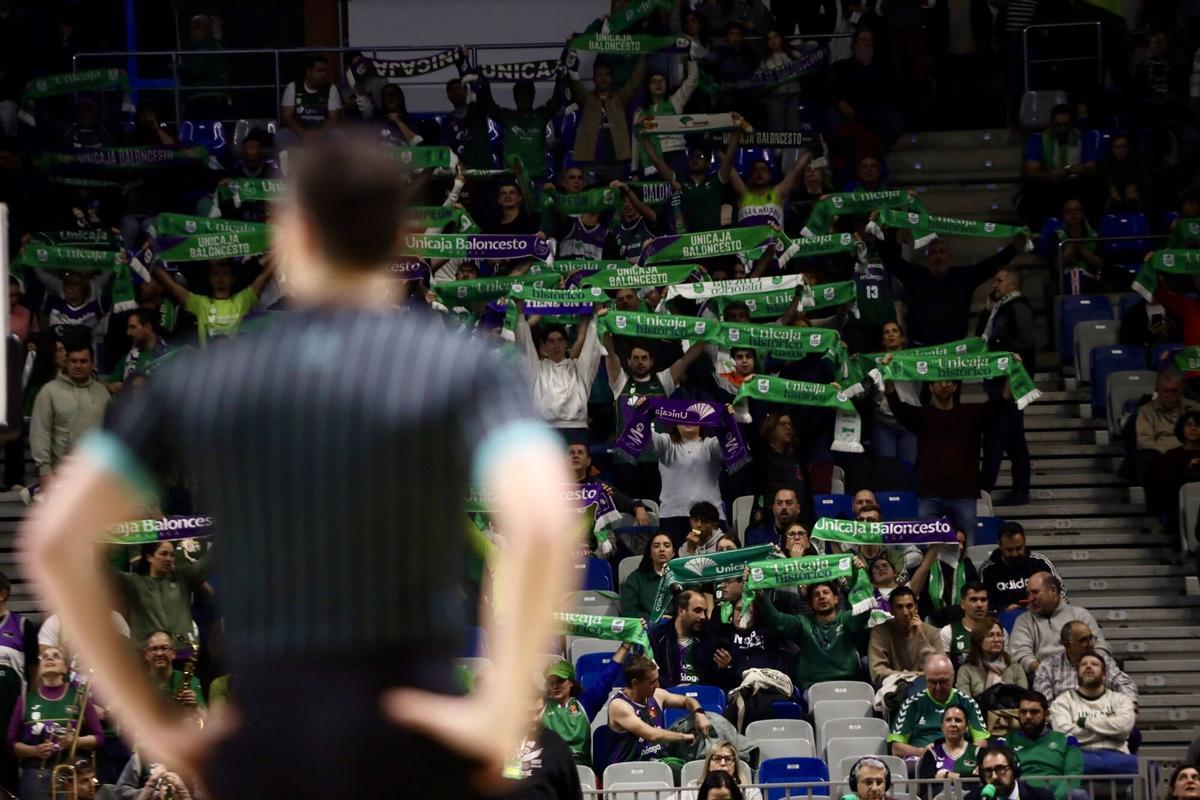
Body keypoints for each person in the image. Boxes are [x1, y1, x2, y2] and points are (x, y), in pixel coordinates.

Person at [21, 136, 579, 799]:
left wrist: (154, 726)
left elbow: (55, 541)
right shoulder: (466, 369)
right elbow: (546, 521)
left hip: (269, 742)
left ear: (291, 233)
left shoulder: (205, 379)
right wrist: (502, 708)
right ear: (402, 236)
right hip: (415, 734)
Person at [885, 372, 1010, 543]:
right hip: (930, 497)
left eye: (949, 381)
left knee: (968, 549)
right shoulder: (922, 416)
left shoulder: (971, 414)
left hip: (964, 496)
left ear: (956, 386)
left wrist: (1012, 373)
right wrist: (887, 374)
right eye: (939, 381)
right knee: (927, 548)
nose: (944, 385)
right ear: (930, 387)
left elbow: (1000, 406)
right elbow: (896, 406)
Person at [876, 224, 1026, 347]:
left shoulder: (963, 277)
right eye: (933, 252)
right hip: (920, 350)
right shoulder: (915, 275)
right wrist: (890, 231)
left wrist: (1014, 248)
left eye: (942, 251)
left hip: (954, 351)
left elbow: (990, 265)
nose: (938, 256)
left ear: (950, 255)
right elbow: (890, 261)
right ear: (927, 256)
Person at [7, 647, 103, 800]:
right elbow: (11, 743)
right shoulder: (25, 700)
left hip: (70, 776)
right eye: (44, 657)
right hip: (34, 777)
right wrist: (34, 751)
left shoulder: (79, 697)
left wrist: (75, 741)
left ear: (65, 668)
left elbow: (99, 738)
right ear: (39, 668)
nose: (49, 658)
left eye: (56, 656)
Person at [976, 267, 1035, 505]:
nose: (994, 284)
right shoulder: (999, 309)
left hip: (1009, 385)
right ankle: (1020, 490)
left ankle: (984, 490)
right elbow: (980, 338)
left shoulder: (1018, 308)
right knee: (1013, 439)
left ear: (1013, 284)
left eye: (999, 280)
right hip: (998, 383)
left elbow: (1024, 343)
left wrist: (1007, 384)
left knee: (995, 437)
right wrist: (986, 310)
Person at [755, 580, 875, 692]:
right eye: (816, 595)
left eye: (826, 592)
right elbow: (777, 620)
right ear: (811, 603)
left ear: (836, 599)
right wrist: (760, 594)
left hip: (849, 686)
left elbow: (865, 608)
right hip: (814, 688)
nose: (821, 596)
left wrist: (859, 577)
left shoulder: (847, 619)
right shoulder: (802, 623)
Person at [30, 341, 111, 487]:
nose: (78, 365)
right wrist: (45, 470)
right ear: (66, 363)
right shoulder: (49, 392)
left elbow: (109, 434)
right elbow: (40, 432)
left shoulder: (102, 393)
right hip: (60, 474)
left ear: (93, 364)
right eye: (73, 361)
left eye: (83, 361)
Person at [648, 403, 731, 544]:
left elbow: (727, 446)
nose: (688, 420)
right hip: (673, 516)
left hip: (709, 517)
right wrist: (645, 415)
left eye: (693, 417)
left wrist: (729, 421)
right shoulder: (666, 443)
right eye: (683, 416)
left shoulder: (711, 444)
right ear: (676, 423)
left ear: (702, 423)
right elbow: (647, 438)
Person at [114, 541, 212, 655]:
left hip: (183, 653)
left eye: (172, 555)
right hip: (147, 656)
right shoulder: (132, 582)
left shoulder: (183, 577)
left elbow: (210, 560)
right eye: (164, 554)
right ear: (149, 557)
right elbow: (102, 570)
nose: (169, 558)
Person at [513, 311, 602, 436]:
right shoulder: (536, 369)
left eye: (560, 340)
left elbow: (593, 347)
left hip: (576, 428)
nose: (557, 345)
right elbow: (523, 343)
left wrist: (597, 315)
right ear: (544, 346)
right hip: (544, 430)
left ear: (566, 343)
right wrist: (519, 311)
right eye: (551, 341)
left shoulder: (579, 368)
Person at [1048, 654, 1138, 775]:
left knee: (1150, 769)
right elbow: (1064, 734)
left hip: (1117, 756)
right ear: (1077, 674)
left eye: (1094, 664)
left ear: (1104, 674)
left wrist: (1084, 722)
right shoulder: (1062, 701)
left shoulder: (1121, 699)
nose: (1088, 666)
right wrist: (1112, 733)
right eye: (1083, 664)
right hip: (1080, 755)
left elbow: (1124, 727)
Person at [607, 656, 707, 762]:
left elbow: (687, 700)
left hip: (660, 763)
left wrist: (699, 713)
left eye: (657, 680)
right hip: (629, 767)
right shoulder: (619, 705)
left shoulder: (656, 695)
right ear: (635, 683)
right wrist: (683, 737)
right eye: (652, 682)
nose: (658, 685)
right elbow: (652, 735)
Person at [888, 654, 988, 758]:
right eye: (932, 682)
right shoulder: (911, 704)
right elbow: (896, 748)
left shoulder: (968, 703)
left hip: (959, 759)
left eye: (943, 682)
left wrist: (963, 755)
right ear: (925, 679)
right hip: (921, 760)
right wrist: (923, 752)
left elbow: (981, 742)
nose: (938, 688)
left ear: (953, 678)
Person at [1009, 573, 1110, 675]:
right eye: (1028, 593)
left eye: (1035, 592)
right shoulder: (1023, 621)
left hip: (1082, 673)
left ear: (1053, 590)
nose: (1030, 598)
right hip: (1041, 675)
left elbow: (1100, 648)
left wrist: (1086, 668)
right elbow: (1021, 655)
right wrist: (1047, 672)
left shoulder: (1080, 615)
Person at [151, 259, 276, 342]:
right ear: (211, 279)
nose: (220, 278)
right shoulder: (201, 304)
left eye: (225, 274)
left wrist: (281, 253)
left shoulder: (241, 300)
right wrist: (152, 262)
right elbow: (172, 287)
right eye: (216, 274)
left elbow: (264, 276)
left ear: (231, 279)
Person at [569, 55, 648, 182]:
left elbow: (634, 82)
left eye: (606, 75)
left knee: (617, 193)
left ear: (611, 78)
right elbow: (575, 83)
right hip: (591, 163)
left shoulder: (619, 99)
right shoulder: (587, 98)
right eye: (599, 75)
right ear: (594, 78)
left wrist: (643, 55)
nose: (603, 78)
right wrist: (570, 57)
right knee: (591, 193)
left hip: (616, 164)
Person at [1020, 104, 1100, 226]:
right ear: (1052, 124)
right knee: (1032, 189)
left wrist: (1083, 168)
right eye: (1059, 125)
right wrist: (1049, 174)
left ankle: (1091, 229)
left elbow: (1092, 166)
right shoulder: (1039, 139)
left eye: (1066, 124)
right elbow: (1032, 171)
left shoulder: (1082, 137)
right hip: (1050, 185)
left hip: (1076, 184)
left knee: (1095, 185)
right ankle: (1037, 230)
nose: (1063, 128)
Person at [477, 75, 567, 182]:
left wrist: (561, 76)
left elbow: (557, 100)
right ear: (515, 97)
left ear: (533, 96)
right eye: (520, 96)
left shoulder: (541, 115)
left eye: (527, 95)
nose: (524, 99)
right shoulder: (507, 117)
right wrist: (484, 80)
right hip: (512, 176)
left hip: (536, 176)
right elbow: (488, 105)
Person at [1136, 368, 1200, 512]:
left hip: (1193, 452)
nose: (1170, 396)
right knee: (1147, 459)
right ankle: (1159, 510)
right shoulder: (1146, 411)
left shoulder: (1195, 408)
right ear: (1157, 389)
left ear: (1181, 390)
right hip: (1162, 456)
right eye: (1166, 391)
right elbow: (1144, 442)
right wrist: (1171, 454)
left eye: (1174, 391)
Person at [1006, 690, 1087, 800]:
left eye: (1034, 712)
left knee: (1078, 795)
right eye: (1023, 712)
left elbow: (1073, 775)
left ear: (1047, 714)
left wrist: (1054, 798)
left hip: (1056, 795)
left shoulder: (1067, 740)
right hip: (1021, 795)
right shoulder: (1006, 741)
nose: (1028, 716)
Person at [1033, 621, 1138, 704]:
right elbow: (1043, 702)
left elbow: (1124, 683)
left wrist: (1130, 702)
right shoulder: (1048, 667)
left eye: (1091, 638)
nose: (1090, 644)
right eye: (1083, 640)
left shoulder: (1103, 660)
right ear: (1067, 645)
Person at [830, 30, 903, 148]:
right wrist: (840, 102)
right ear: (854, 45)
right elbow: (830, 90)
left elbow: (891, 93)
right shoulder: (841, 67)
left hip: (875, 110)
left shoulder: (883, 68)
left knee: (894, 119)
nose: (867, 43)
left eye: (870, 41)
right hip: (850, 111)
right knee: (832, 117)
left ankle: (879, 152)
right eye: (863, 40)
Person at [632, 60, 700, 178]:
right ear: (648, 86)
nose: (658, 84)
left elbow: (692, 80)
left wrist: (692, 58)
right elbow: (636, 142)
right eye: (654, 81)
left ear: (667, 84)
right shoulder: (639, 113)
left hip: (677, 156)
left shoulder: (675, 102)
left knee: (680, 189)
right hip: (652, 160)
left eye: (661, 81)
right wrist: (634, 171)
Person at [979, 522, 1064, 612]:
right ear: (1000, 546)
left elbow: (1061, 593)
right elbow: (983, 604)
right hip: (1003, 618)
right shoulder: (988, 570)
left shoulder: (1040, 563)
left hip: (1040, 615)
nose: (1015, 554)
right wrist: (1004, 609)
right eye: (1009, 550)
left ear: (1025, 542)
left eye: (1019, 548)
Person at [868, 587, 945, 686]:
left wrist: (921, 637)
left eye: (909, 606)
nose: (905, 612)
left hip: (925, 686)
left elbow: (940, 670)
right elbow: (878, 671)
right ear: (891, 610)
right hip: (893, 685)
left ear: (916, 608)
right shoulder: (880, 632)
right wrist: (913, 675)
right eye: (899, 607)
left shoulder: (932, 632)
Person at [650, 591, 721, 687]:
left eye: (704, 611)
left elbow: (715, 679)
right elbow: (652, 674)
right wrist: (672, 688)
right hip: (669, 693)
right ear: (681, 611)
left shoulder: (709, 637)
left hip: (702, 693)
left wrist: (725, 667)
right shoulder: (659, 637)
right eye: (698, 611)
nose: (703, 616)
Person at [279, 55, 343, 148]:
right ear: (308, 72)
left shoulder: (331, 89)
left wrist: (319, 134)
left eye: (325, 71)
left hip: (323, 132)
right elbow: (287, 117)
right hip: (298, 132)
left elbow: (334, 118)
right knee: (281, 136)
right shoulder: (293, 87)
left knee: (339, 135)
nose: (323, 74)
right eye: (319, 70)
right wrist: (303, 133)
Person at [955, 617, 1027, 698]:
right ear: (979, 640)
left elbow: (1024, 698)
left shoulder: (1015, 667)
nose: (996, 640)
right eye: (990, 635)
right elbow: (965, 702)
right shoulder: (966, 671)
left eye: (999, 635)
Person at [916, 706, 980, 794]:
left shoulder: (978, 753)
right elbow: (926, 789)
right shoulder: (932, 754)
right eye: (948, 720)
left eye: (958, 720)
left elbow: (981, 783)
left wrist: (947, 775)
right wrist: (967, 778)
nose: (953, 724)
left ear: (966, 727)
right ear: (942, 726)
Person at [105, 310, 172, 395]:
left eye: (133, 327)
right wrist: (109, 387)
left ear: (147, 328)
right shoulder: (127, 359)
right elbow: (107, 386)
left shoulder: (173, 354)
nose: (128, 333)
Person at [965, 744, 1055, 800]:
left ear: (1014, 769)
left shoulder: (1042, 797)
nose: (994, 776)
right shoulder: (973, 798)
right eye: (988, 771)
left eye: (1000, 769)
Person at [142, 631, 204, 713]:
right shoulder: (137, 684)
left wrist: (195, 707)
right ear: (146, 654)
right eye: (154, 649)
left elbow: (206, 717)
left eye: (164, 648)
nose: (159, 653)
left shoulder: (192, 681)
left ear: (174, 653)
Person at [677, 740, 761, 800]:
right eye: (717, 758)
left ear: (735, 765)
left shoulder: (751, 792)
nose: (723, 763)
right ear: (708, 764)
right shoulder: (691, 789)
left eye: (728, 759)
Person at [621, 533, 675, 619]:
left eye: (667, 546)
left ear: (673, 553)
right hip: (646, 625)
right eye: (656, 546)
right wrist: (653, 620)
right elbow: (628, 612)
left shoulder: (682, 577)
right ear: (650, 553)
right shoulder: (636, 578)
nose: (662, 549)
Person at [940, 581, 992, 667]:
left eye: (983, 600)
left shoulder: (998, 632)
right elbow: (944, 668)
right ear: (963, 604)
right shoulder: (948, 632)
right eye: (973, 600)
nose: (979, 604)